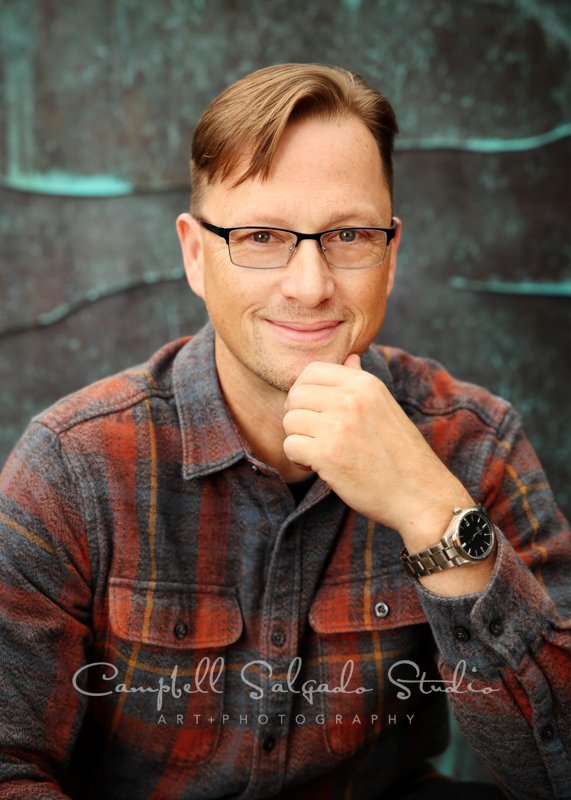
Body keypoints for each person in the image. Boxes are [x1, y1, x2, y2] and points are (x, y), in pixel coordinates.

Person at [0, 63, 568, 800]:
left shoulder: (473, 441)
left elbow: (555, 772)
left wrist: (433, 513)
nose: (308, 285)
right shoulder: (74, 463)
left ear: (389, 255)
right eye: (262, 235)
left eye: (349, 235)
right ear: (196, 254)